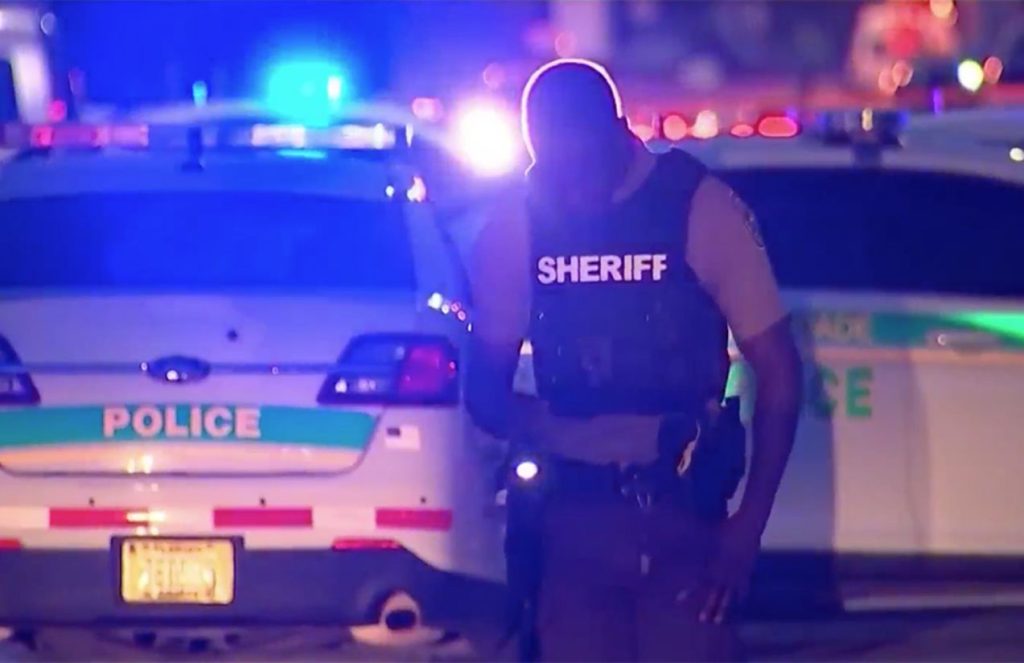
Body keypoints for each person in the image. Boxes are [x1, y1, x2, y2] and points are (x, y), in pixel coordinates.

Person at [465, 58, 802, 662]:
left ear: (618, 129)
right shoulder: (519, 225)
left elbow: (778, 372)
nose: (571, 185)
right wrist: (549, 429)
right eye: (553, 164)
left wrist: (745, 533)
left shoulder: (698, 208)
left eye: (583, 159)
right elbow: (484, 390)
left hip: (683, 519)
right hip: (570, 524)